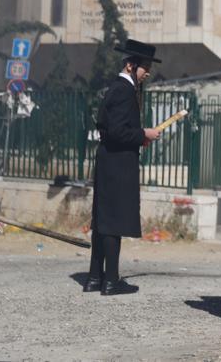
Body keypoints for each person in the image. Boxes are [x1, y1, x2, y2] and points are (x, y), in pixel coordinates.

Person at [86, 39, 162, 295]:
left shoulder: (116, 88)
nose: (148, 72)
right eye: (145, 67)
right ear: (131, 65)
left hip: (110, 160)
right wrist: (144, 134)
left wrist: (140, 136)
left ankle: (95, 278)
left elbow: (112, 129)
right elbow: (118, 132)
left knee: (103, 221)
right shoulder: (124, 90)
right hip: (118, 164)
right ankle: (111, 281)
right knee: (112, 222)